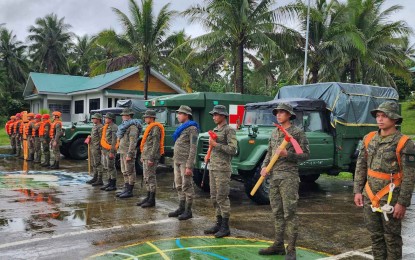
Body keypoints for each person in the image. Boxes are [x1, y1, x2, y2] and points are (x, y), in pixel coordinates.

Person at [354, 101, 415, 260]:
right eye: (378, 116)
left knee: (392, 238)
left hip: (391, 199)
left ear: (394, 119)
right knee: (375, 236)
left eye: (385, 116)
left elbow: (409, 176)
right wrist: (357, 191)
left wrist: (402, 203)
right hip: (370, 196)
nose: (380, 119)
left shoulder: (404, 143)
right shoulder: (369, 139)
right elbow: (361, 167)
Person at [257, 103, 310, 260]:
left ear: (289, 115)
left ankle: (291, 249)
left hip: (289, 178)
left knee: (290, 213)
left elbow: (306, 154)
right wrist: (264, 167)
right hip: (274, 177)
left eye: (282, 112)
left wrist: (289, 154)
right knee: (277, 212)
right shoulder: (274, 132)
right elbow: (269, 153)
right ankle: (278, 245)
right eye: (277, 112)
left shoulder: (297, 133)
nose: (278, 115)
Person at [203, 105, 237, 238]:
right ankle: (218, 222)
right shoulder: (215, 130)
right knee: (214, 197)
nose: (214, 117)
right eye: (213, 114)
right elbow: (212, 147)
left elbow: (233, 149)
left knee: (222, 197)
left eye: (216, 114)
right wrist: (208, 154)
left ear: (223, 115)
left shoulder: (229, 130)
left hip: (223, 168)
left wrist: (216, 145)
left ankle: (225, 226)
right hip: (213, 167)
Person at [168, 105, 199, 220]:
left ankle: (188, 210)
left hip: (185, 161)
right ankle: (181, 207)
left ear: (186, 115)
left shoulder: (192, 128)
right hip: (177, 160)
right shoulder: (181, 127)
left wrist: (189, 166)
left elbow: (193, 148)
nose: (178, 116)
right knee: (179, 185)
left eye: (180, 114)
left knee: (187, 186)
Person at [137, 109, 165, 208]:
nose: (145, 118)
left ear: (151, 118)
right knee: (146, 177)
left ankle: (152, 199)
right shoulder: (149, 127)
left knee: (151, 177)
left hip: (151, 156)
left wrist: (151, 158)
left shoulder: (155, 128)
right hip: (146, 155)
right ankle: (148, 196)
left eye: (146, 117)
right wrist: (143, 156)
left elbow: (155, 144)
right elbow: (146, 144)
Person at [116, 108, 141, 199]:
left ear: (129, 116)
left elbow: (133, 142)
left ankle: (130, 190)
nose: (122, 117)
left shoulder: (133, 127)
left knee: (130, 171)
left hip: (128, 153)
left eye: (124, 115)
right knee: (124, 171)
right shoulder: (124, 126)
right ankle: (126, 188)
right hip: (123, 151)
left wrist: (130, 155)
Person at [100, 112, 118, 191]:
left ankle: (113, 184)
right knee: (107, 167)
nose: (105, 119)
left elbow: (114, 140)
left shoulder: (114, 127)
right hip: (105, 149)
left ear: (110, 119)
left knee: (111, 167)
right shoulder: (106, 126)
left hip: (110, 149)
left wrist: (112, 151)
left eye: (106, 118)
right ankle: (109, 182)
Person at [86, 113, 104, 186]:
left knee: (98, 163)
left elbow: (101, 138)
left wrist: (101, 148)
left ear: (98, 119)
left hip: (97, 147)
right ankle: (95, 177)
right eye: (92, 118)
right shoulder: (95, 126)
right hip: (93, 146)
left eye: (94, 118)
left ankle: (100, 179)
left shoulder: (100, 127)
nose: (93, 120)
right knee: (94, 163)